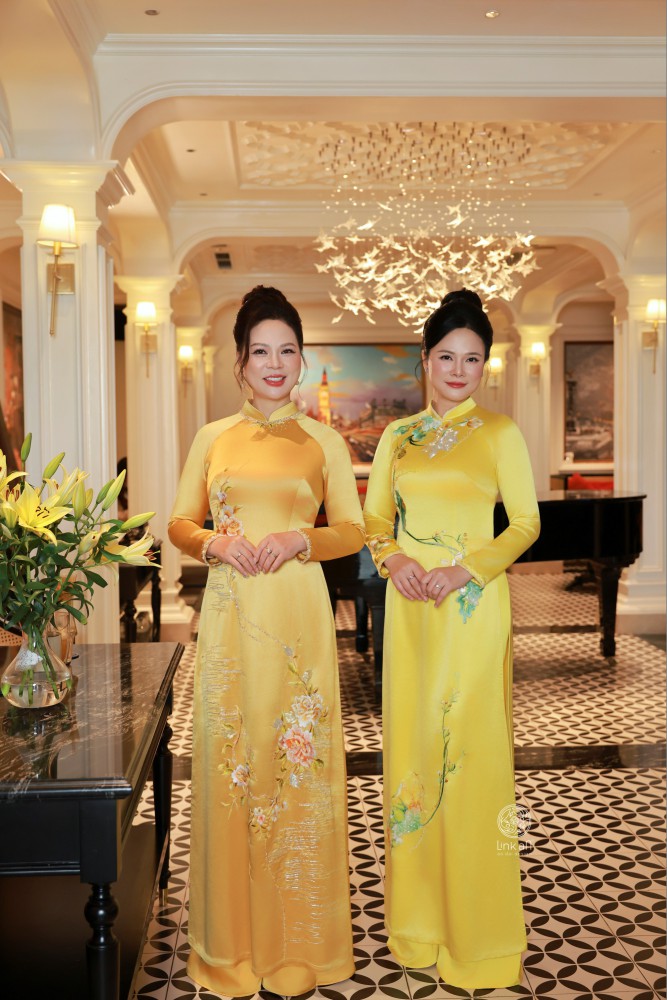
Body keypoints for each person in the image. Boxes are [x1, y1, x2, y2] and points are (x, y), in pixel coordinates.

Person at [168, 285, 364, 997]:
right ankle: (230, 949)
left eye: (287, 350)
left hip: (297, 616)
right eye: (261, 351)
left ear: (302, 360)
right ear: (240, 363)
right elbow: (178, 523)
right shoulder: (212, 437)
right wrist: (215, 544)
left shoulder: (324, 441)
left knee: (295, 770)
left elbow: (353, 530)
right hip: (230, 618)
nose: (275, 363)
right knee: (233, 769)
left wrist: (299, 539)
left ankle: (298, 948)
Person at [363, 289, 540, 989]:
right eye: (446, 357)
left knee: (472, 759)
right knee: (412, 755)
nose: (459, 370)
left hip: (472, 611)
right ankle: (416, 928)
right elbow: (375, 521)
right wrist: (395, 561)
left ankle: (481, 938)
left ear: (484, 365)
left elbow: (524, 523)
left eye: (472, 359)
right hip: (411, 613)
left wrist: (467, 569)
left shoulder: (500, 433)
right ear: (425, 360)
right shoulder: (396, 437)